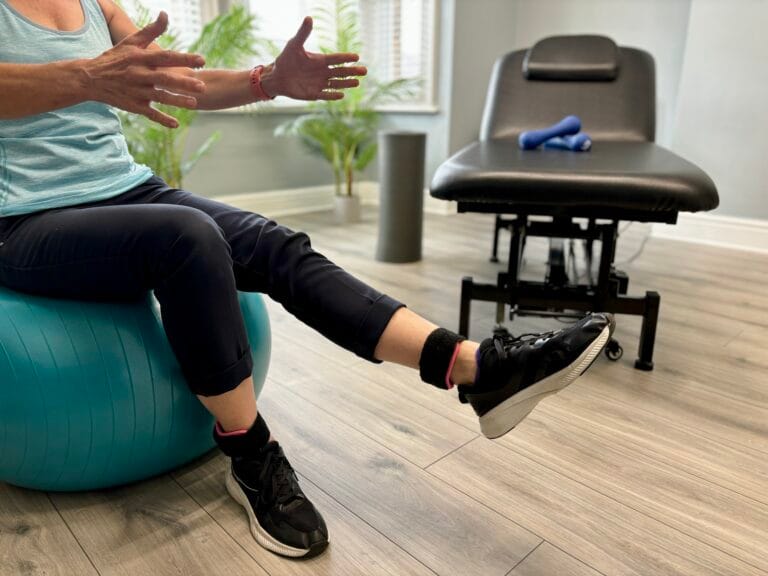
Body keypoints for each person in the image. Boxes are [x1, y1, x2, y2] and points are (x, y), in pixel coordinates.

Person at [0, 0, 612, 560]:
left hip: (127, 189)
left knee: (270, 242)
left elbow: (175, 83)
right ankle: (249, 453)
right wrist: (85, 77)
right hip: (23, 216)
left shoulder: (97, 3)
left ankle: (475, 368)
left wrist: (268, 80)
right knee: (187, 237)